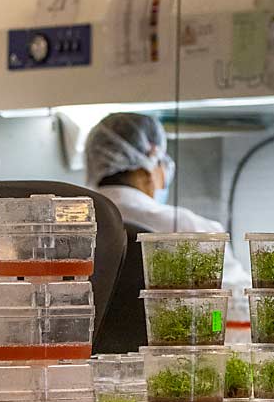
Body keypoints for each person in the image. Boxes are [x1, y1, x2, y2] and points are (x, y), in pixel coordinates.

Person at [84, 112, 252, 296]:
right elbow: (231, 303)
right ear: (149, 161)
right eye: (162, 163)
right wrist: (214, 324)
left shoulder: (72, 222)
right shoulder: (185, 227)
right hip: (173, 325)